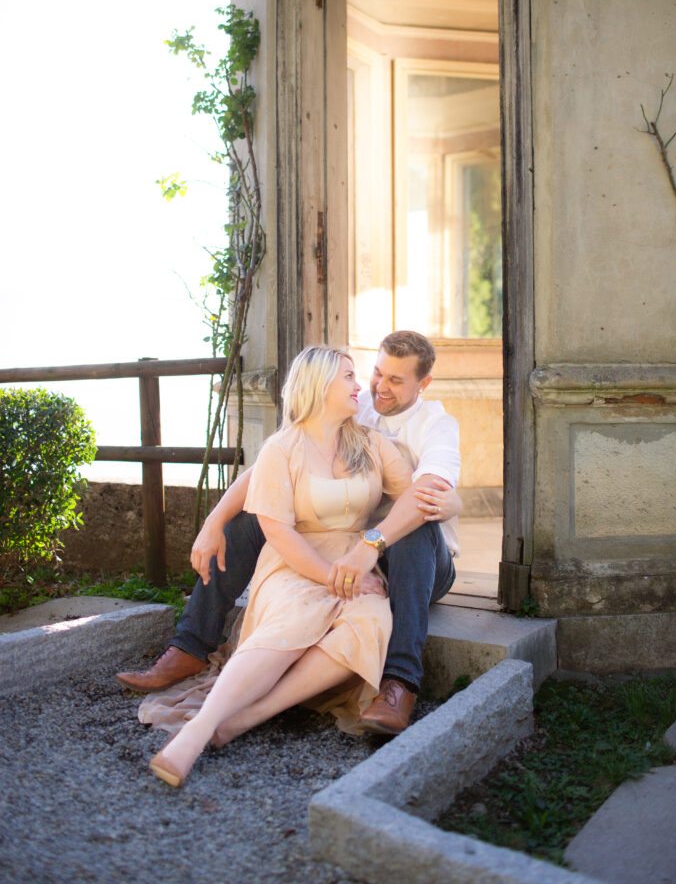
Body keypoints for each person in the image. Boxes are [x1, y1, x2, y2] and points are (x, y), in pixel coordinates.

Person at [117, 330, 462, 735]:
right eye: (376, 373)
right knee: (245, 521)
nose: (378, 387)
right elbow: (270, 466)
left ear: (423, 384)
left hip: (421, 562)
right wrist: (213, 523)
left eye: (396, 380)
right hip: (354, 548)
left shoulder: (437, 426)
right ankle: (190, 645)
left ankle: (400, 682)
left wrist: (399, 530)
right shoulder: (358, 402)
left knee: (413, 529)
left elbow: (426, 495)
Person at [148, 345, 413, 787]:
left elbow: (414, 497)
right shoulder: (281, 449)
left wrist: (369, 550)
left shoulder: (370, 442)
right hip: (294, 561)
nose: (358, 386)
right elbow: (279, 532)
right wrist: (330, 578)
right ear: (319, 384)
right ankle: (196, 731)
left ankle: (248, 716)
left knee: (368, 624)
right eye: (348, 377)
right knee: (288, 628)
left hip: (353, 559)